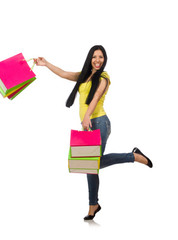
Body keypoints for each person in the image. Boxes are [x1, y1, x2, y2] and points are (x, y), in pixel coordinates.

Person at [35, 45, 153, 220]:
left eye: (101, 57)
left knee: (91, 165)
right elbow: (64, 73)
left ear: (104, 60)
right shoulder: (84, 76)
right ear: (90, 58)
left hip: (99, 122)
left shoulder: (104, 77)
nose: (98, 60)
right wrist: (46, 64)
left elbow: (97, 96)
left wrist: (87, 116)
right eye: (95, 57)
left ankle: (133, 157)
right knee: (90, 166)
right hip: (88, 124)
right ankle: (93, 205)